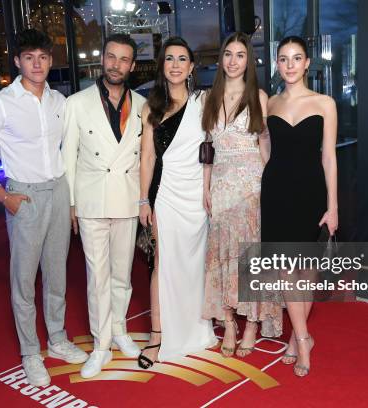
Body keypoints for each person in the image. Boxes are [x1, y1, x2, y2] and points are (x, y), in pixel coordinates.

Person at [0, 29, 88, 387]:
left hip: (59, 191)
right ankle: (31, 352)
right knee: (24, 280)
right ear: (17, 61)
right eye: (29, 57)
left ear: (51, 60)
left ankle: (58, 340)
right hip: (24, 196)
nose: (37, 64)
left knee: (57, 274)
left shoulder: (58, 101)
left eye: (43, 57)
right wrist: (2, 195)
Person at [62, 34, 145, 378]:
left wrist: (144, 200)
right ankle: (100, 345)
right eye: (111, 57)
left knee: (122, 276)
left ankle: (121, 331)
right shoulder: (77, 103)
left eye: (124, 59)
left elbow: (145, 159)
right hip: (92, 199)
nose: (116, 65)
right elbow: (67, 157)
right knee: (97, 277)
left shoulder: (142, 104)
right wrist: (70, 203)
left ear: (132, 66)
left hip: (127, 199)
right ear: (102, 58)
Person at [137, 36, 218, 369]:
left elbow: (211, 148)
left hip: (196, 197)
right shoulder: (151, 106)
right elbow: (147, 158)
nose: (175, 65)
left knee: (195, 264)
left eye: (182, 59)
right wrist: (144, 200)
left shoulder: (204, 101)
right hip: (165, 196)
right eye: (169, 59)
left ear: (191, 67)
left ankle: (197, 330)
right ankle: (158, 336)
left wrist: (208, 189)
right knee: (162, 265)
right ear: (162, 65)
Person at [201, 32, 282, 358]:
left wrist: (273, 184)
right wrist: (205, 186)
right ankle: (230, 323)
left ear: (249, 61)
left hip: (252, 187)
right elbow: (206, 147)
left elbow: (264, 143)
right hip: (220, 187)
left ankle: (251, 324)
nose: (233, 61)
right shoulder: (210, 96)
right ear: (221, 59)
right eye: (228, 54)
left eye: (240, 55)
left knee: (250, 258)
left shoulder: (259, 96)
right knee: (223, 258)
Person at [261, 36, 338, 377]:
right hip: (277, 193)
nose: (289, 65)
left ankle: (296, 339)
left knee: (306, 271)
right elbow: (264, 142)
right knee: (286, 270)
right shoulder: (270, 104)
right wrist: (268, 173)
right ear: (277, 64)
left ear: (307, 63)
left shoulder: (325, 103)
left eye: (296, 58)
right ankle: (304, 338)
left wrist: (333, 206)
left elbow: (329, 158)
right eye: (283, 59)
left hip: (310, 194)